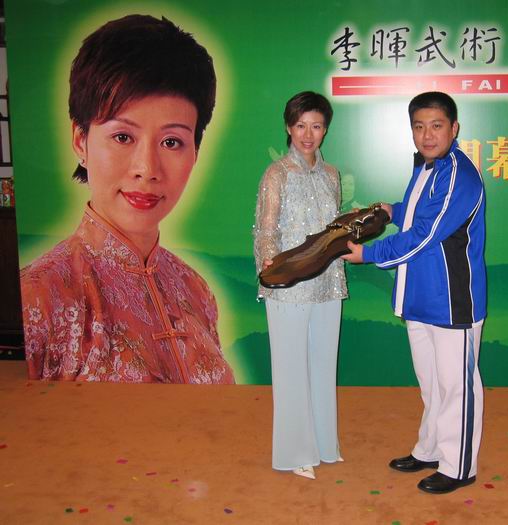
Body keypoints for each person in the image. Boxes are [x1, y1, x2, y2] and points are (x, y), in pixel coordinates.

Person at [20, 15, 234, 384]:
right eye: (123, 137)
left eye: (171, 142)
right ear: (81, 141)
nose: (147, 169)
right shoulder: (39, 297)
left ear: (195, 153)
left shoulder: (196, 290)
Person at [342, 91, 486, 494]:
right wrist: (394, 210)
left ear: (454, 128)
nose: (427, 135)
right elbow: (420, 212)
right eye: (419, 126)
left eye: (436, 126)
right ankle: (430, 449)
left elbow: (425, 234)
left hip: (453, 301)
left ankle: (459, 467)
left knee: (457, 387)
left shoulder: (459, 175)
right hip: (420, 296)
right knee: (432, 385)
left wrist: (369, 254)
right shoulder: (426, 167)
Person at [253, 91, 346, 480]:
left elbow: (334, 230)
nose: (308, 134)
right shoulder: (277, 174)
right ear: (289, 128)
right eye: (301, 126)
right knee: (290, 367)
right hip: (289, 284)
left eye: (317, 126)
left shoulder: (331, 175)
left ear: (325, 129)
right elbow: (265, 229)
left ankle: (324, 445)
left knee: (323, 365)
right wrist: (272, 264)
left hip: (328, 282)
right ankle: (295, 453)